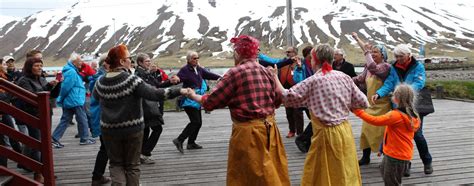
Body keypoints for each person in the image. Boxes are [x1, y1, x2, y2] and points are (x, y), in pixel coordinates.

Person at [186, 35, 290, 185]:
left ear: (239, 53)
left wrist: (194, 96)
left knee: (247, 176)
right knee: (273, 173)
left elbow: (211, 102)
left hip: (248, 134)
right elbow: (278, 100)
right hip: (271, 130)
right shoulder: (268, 72)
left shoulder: (235, 73)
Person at [272, 44, 368, 185]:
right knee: (344, 169)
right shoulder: (344, 77)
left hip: (325, 135)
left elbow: (287, 97)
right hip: (345, 132)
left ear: (314, 60)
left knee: (323, 172)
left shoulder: (313, 81)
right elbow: (363, 102)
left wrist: (275, 77)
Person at [93, 44, 188, 185]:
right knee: (132, 165)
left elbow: (95, 97)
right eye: (128, 58)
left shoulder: (100, 82)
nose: (130, 61)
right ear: (121, 62)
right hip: (132, 129)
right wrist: (179, 90)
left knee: (116, 164)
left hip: (109, 130)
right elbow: (155, 94)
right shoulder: (131, 80)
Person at [372, 44, 433, 176]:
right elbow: (389, 82)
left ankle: (427, 161)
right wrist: (379, 93)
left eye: (401, 56)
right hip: (398, 106)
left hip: (414, 105)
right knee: (400, 136)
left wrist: (404, 92)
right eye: (396, 56)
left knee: (417, 135)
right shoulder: (394, 67)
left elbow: (419, 83)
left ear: (408, 55)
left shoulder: (418, 66)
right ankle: (406, 164)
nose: (398, 59)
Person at [353, 84, 420, 185]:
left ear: (398, 98)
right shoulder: (413, 114)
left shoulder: (395, 115)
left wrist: (358, 112)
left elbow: (375, 121)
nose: (391, 96)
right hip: (403, 154)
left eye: (393, 95)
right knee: (386, 173)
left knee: (391, 182)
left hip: (395, 156)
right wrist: (382, 148)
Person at [15, 57, 59, 183]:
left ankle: (45, 171)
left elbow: (51, 96)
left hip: (46, 114)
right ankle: (38, 172)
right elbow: (31, 97)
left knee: (45, 143)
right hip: (33, 115)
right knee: (38, 144)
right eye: (36, 65)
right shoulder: (24, 80)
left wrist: (55, 86)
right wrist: (46, 87)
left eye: (41, 65)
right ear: (30, 67)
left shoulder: (42, 78)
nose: (40, 68)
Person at [351, 32, 392, 165]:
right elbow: (360, 79)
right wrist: (345, 80)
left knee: (382, 133)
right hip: (370, 105)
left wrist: (366, 51)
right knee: (366, 131)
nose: (373, 54)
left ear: (383, 55)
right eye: (372, 52)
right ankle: (365, 157)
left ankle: (387, 157)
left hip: (383, 106)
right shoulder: (367, 68)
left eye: (376, 52)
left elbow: (374, 68)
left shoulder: (385, 67)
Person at [135, 53, 179, 164]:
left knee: (145, 131)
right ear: (140, 63)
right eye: (147, 61)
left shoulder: (146, 73)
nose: (149, 63)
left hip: (147, 106)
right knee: (157, 129)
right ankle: (145, 153)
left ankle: (140, 154)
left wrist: (170, 82)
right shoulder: (139, 75)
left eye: (150, 61)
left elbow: (157, 85)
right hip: (146, 107)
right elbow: (151, 89)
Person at [172, 51, 221, 153]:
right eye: (194, 58)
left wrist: (220, 77)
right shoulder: (185, 70)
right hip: (188, 99)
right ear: (189, 59)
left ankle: (191, 143)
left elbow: (208, 74)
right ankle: (179, 140)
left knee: (198, 123)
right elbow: (179, 78)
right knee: (195, 122)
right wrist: (175, 79)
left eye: (197, 58)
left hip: (197, 99)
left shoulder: (198, 69)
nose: (196, 60)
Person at [52, 53, 95, 148]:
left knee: (65, 119)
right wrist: (61, 98)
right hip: (75, 99)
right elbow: (66, 87)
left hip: (72, 99)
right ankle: (84, 138)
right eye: (80, 61)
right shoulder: (71, 72)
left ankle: (54, 138)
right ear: (74, 62)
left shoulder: (70, 70)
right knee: (82, 118)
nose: (81, 63)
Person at [89, 54, 112, 186]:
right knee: (107, 148)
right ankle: (97, 177)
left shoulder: (98, 77)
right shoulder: (103, 79)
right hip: (104, 117)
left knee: (105, 148)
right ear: (106, 64)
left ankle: (97, 176)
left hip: (101, 116)